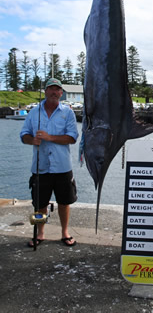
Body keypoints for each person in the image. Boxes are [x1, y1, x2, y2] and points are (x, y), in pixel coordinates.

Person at [20, 78, 79, 247]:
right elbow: (23, 135)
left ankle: (65, 232)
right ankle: (40, 233)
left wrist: (49, 137)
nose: (54, 92)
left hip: (63, 166)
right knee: (39, 205)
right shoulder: (33, 112)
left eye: (57, 89)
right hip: (40, 167)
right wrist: (32, 141)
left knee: (64, 202)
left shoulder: (68, 113)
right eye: (51, 89)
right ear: (45, 92)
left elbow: (73, 138)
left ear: (61, 93)